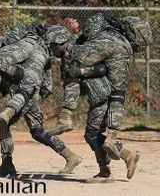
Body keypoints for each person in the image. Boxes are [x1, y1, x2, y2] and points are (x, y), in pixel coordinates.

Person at [0, 32, 82, 177]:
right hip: (22, 94)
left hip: (27, 91)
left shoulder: (9, 49)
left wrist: (7, 69)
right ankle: (71, 156)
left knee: (3, 122)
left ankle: (7, 164)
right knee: (37, 132)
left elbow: (22, 72)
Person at [45, 25, 141, 183]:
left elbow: (102, 68)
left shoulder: (79, 51)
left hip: (102, 96)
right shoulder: (71, 54)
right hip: (98, 96)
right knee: (92, 134)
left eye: (53, 45)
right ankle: (119, 161)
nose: (52, 49)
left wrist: (81, 73)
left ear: (61, 42)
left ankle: (110, 169)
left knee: (91, 135)